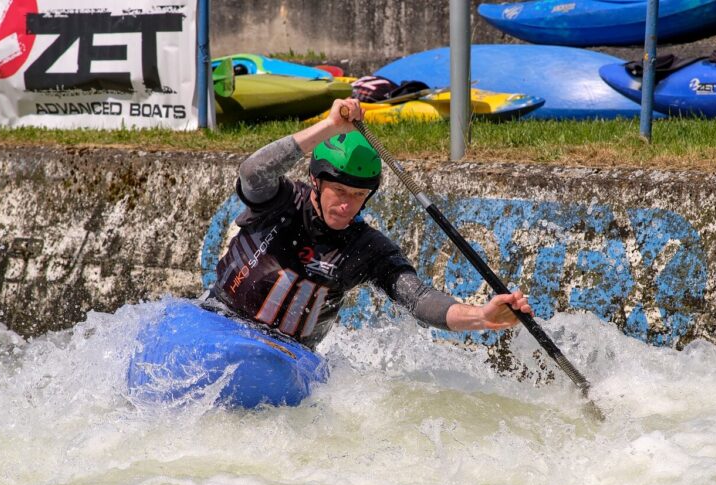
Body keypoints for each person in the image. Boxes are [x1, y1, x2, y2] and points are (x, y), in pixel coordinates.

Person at [206, 97, 531, 348]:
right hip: (219, 321)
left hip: (288, 357)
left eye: (359, 194)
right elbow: (252, 171)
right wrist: (330, 126)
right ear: (315, 181)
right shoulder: (280, 202)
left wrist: (481, 317)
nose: (347, 204)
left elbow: (419, 299)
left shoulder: (366, 249)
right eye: (339, 190)